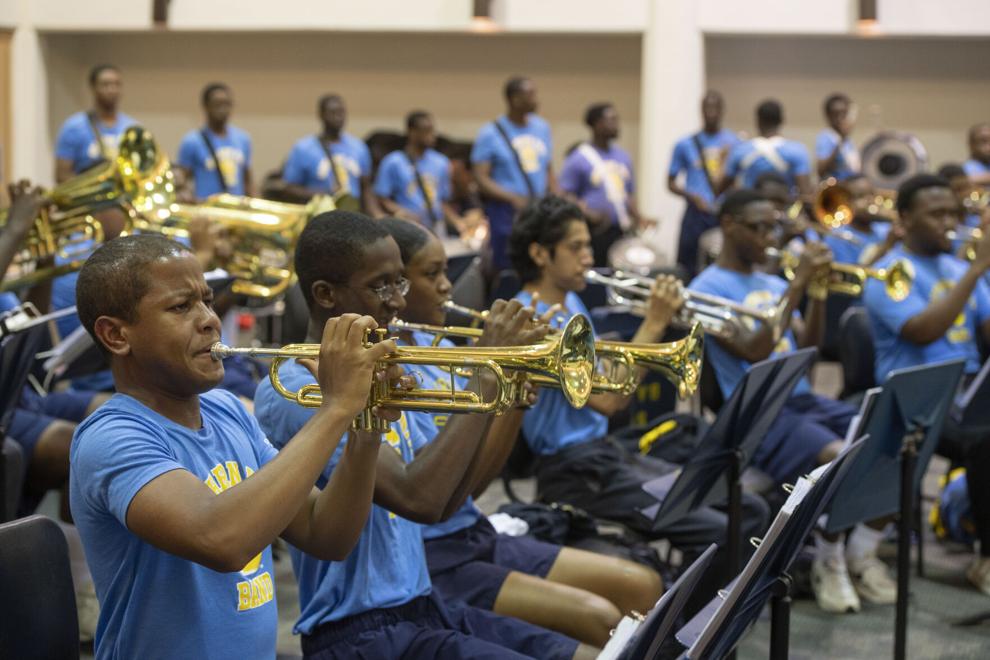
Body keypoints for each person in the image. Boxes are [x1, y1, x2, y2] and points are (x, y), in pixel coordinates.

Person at [254, 211, 592, 659]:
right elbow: (420, 498)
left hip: (421, 603)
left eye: (401, 283)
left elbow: (450, 500)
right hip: (359, 631)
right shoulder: (296, 387)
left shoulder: (389, 370)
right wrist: (488, 374)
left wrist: (506, 391)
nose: (397, 301)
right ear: (325, 294)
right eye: (381, 286)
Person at [68, 232, 397, 658]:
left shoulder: (228, 410)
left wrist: (364, 428)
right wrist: (335, 409)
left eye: (206, 300)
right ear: (116, 335)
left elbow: (326, 533)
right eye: (181, 306)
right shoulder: (111, 437)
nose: (210, 319)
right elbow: (221, 540)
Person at [379, 217, 663, 646]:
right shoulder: (396, 370)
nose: (446, 287)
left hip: (475, 532)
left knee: (641, 584)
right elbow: (454, 492)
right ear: (394, 286)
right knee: (602, 618)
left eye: (445, 273)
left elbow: (480, 480)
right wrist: (498, 375)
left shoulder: (445, 349)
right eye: (432, 274)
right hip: (435, 553)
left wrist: (514, 396)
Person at [507, 195, 770, 617]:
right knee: (724, 530)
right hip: (573, 472)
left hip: (605, 456)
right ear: (540, 253)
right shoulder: (536, 318)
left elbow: (607, 377)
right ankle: (679, 634)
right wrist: (654, 323)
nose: (588, 257)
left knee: (750, 509)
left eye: (588, 245)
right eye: (576, 247)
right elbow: (612, 401)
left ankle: (697, 617)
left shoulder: (571, 304)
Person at [690, 190, 896, 613]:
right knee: (841, 456)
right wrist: (798, 284)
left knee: (895, 433)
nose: (768, 237)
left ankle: (861, 550)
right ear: (728, 224)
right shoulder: (703, 289)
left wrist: (816, 293)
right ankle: (828, 557)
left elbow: (809, 352)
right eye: (758, 227)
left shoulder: (771, 282)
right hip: (757, 413)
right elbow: (755, 350)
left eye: (773, 228)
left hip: (801, 400)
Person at [863, 173, 990, 597]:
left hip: (969, 385)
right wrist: (976, 270)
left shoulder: (958, 265)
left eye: (953, 213)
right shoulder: (889, 273)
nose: (949, 222)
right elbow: (922, 331)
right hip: (916, 393)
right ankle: (985, 560)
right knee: (984, 442)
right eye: (936, 214)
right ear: (903, 220)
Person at [0, 181, 109, 642]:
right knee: (76, 446)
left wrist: (43, 263)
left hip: (20, 392)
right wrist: (19, 225)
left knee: (110, 415)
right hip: (5, 406)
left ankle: (87, 575)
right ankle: (82, 589)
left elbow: (36, 334)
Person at [472, 76, 558, 270]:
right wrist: (512, 198)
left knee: (538, 263)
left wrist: (555, 197)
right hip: (506, 212)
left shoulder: (542, 127)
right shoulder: (490, 133)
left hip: (537, 208)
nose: (536, 99)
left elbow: (548, 168)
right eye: (530, 95)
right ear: (514, 99)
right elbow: (480, 177)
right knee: (508, 265)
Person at [559, 102, 653, 267]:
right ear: (596, 124)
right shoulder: (579, 157)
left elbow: (628, 195)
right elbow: (565, 195)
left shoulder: (623, 157)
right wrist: (588, 213)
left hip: (622, 231)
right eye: (611, 120)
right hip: (595, 232)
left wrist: (639, 217)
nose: (617, 125)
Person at [373, 110, 482, 238]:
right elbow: (381, 198)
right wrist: (399, 211)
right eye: (426, 130)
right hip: (408, 226)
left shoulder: (441, 162)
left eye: (432, 130)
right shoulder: (393, 162)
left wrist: (457, 222)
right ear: (411, 132)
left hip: (435, 225)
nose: (432, 135)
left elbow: (441, 202)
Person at [668, 91, 741, 276]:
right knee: (688, 266)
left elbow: (738, 180)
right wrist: (692, 196)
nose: (711, 112)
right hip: (696, 213)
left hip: (724, 212)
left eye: (715, 107)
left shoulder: (733, 143)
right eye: (707, 107)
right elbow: (670, 182)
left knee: (724, 263)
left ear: (722, 110)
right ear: (701, 110)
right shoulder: (685, 144)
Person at [281, 93, 381, 215]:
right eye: (332, 113)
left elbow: (365, 188)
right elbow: (289, 188)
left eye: (341, 112)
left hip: (352, 215)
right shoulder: (304, 148)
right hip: (319, 215)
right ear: (321, 115)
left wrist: (376, 215)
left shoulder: (359, 148)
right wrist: (323, 195)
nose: (338, 117)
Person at [54, 64, 137, 182]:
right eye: (106, 84)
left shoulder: (132, 128)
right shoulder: (74, 127)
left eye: (117, 84)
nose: (112, 90)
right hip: (86, 197)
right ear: (93, 88)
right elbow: (61, 175)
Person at [719, 99, 813, 200]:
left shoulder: (740, 151)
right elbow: (805, 194)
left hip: (750, 211)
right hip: (784, 212)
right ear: (781, 120)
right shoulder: (797, 151)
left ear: (758, 120)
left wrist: (723, 159)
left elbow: (721, 188)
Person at [176, 82, 254, 201]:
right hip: (207, 211)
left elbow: (247, 180)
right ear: (206, 106)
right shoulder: (192, 141)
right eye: (217, 104)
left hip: (236, 210)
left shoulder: (243, 139)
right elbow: (182, 182)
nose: (223, 109)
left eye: (227, 104)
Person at [816, 93, 861, 182]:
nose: (840, 118)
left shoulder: (848, 140)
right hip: (836, 187)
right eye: (836, 114)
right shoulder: (826, 136)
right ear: (828, 115)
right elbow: (821, 170)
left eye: (843, 113)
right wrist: (841, 139)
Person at [963, 122, 990, 187]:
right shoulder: (968, 167)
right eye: (983, 141)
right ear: (972, 145)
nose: (988, 147)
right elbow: (966, 180)